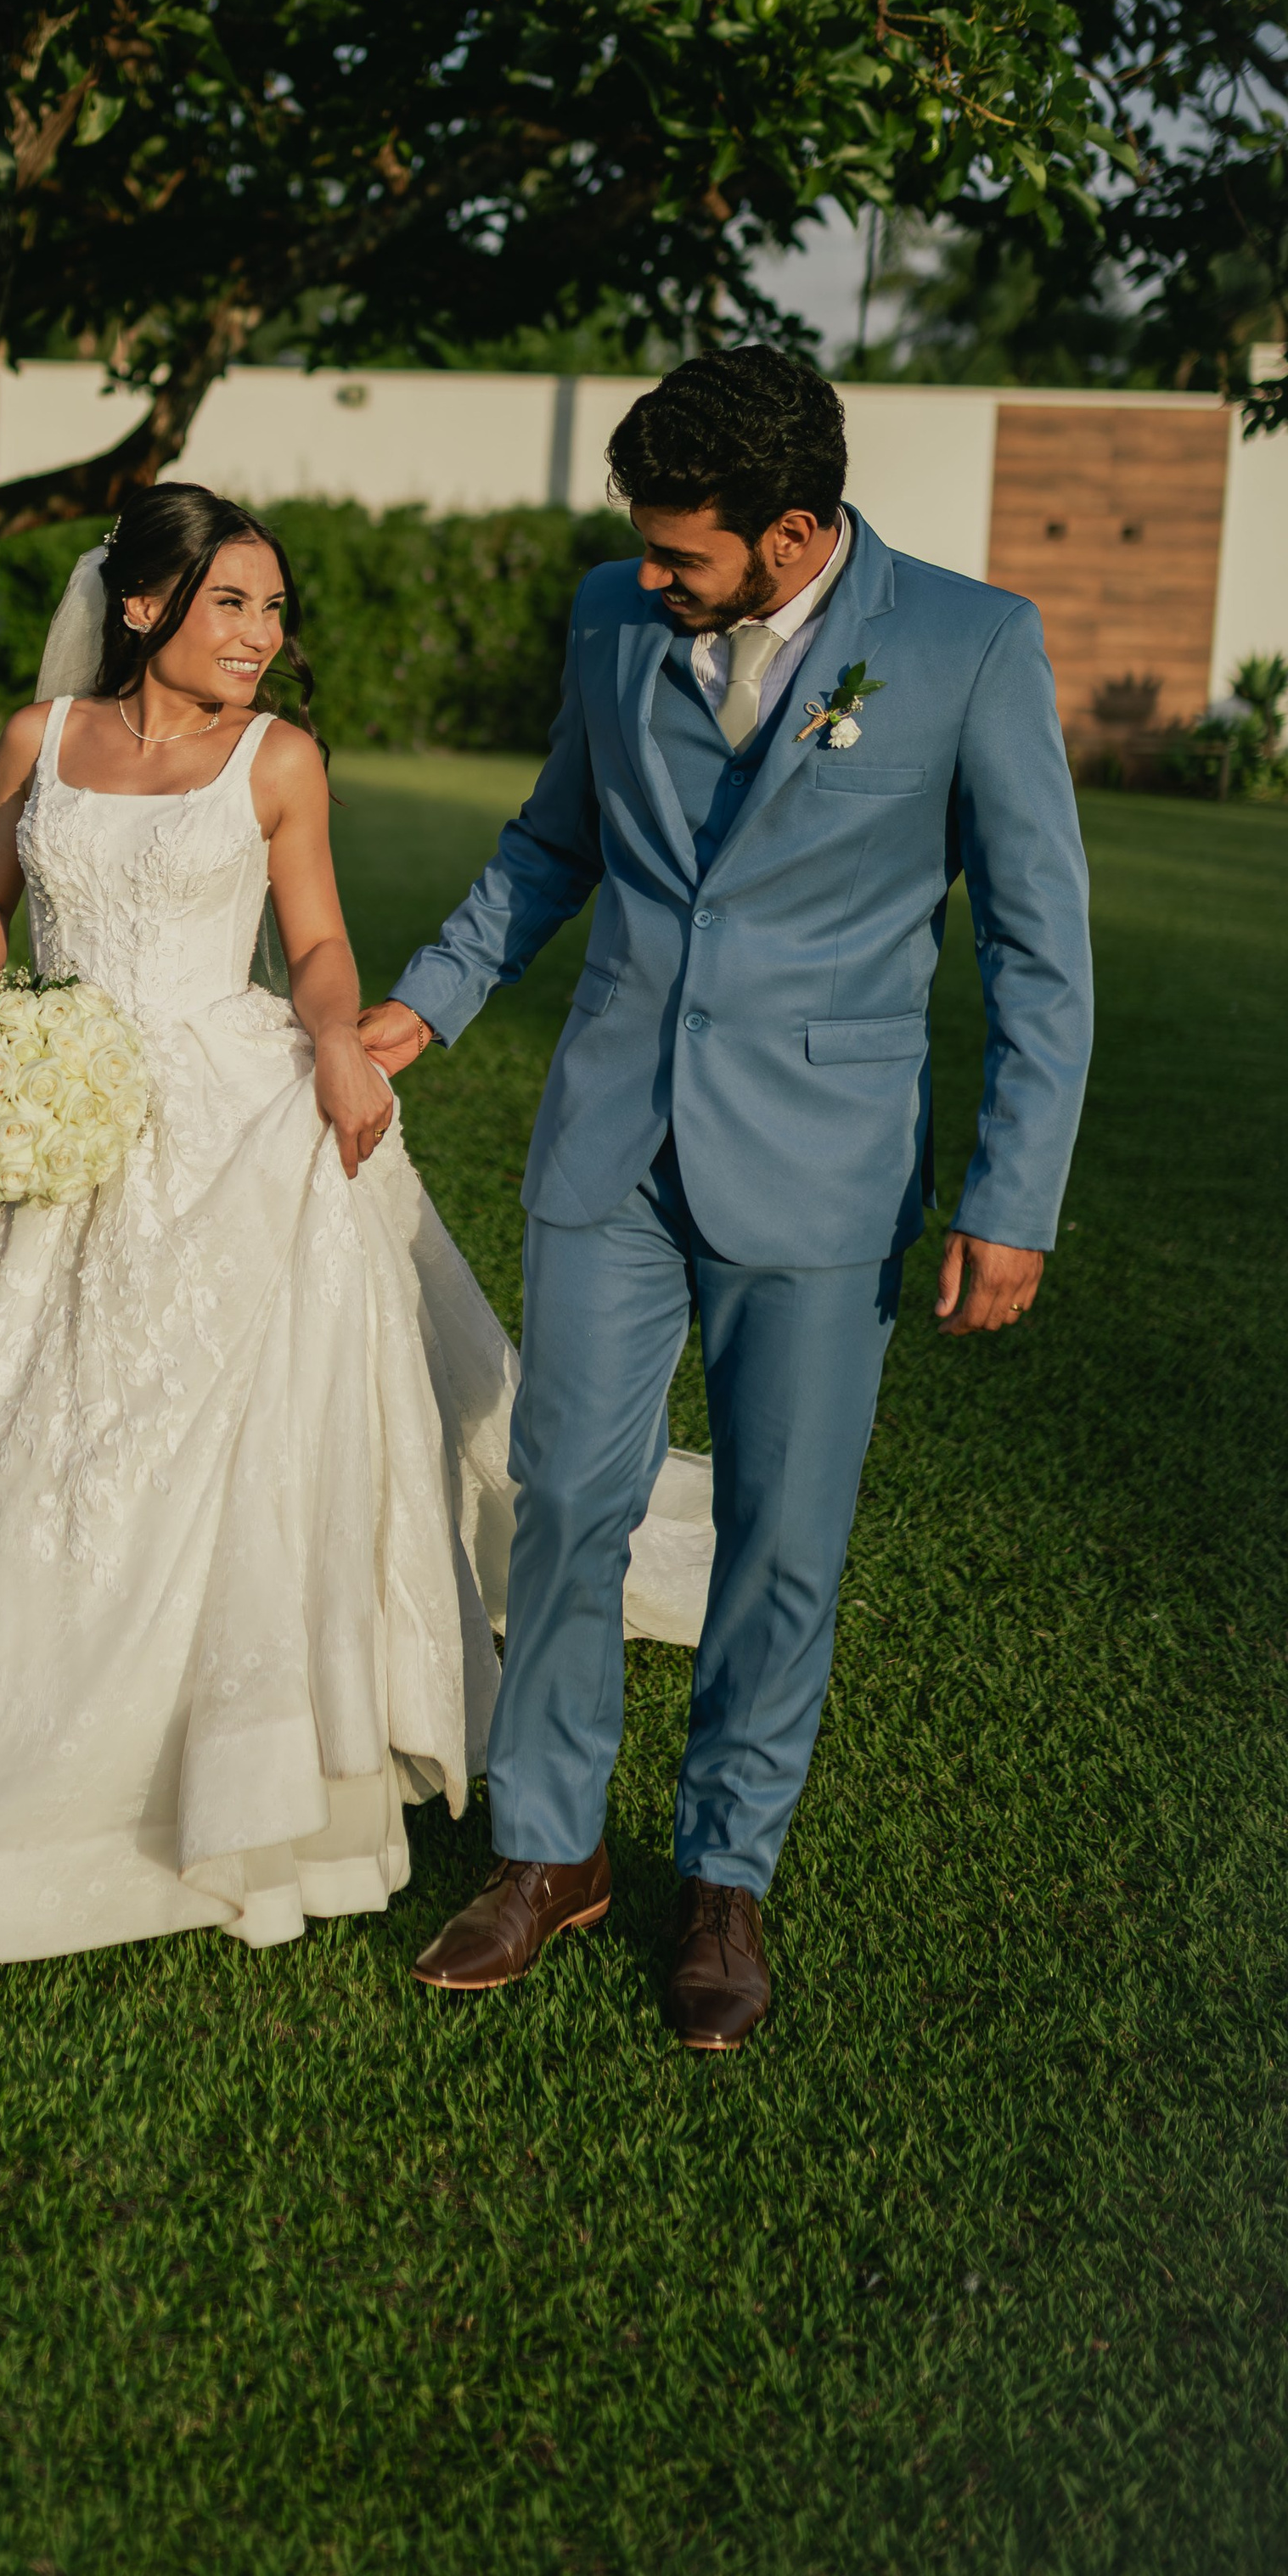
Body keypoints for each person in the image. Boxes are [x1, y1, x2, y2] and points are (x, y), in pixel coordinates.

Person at [361, 347, 1093, 2051]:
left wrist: (1013, 1194)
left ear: (788, 531)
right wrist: (429, 999)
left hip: (825, 1165)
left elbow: (1035, 949)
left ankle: (720, 1880)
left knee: (779, 1543)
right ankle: (547, 1852)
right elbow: (553, 842)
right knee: (561, 1498)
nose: (647, 576)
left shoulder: (966, 647)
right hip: (608, 1143)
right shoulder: (614, 622)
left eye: (680, 552)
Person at [0, 485, 534, 1963]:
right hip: (59, 1109)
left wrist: (340, 1038)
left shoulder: (278, 761)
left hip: (226, 1121)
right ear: (146, 607)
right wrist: (4, 1015)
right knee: (9, 1431)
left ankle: (214, 1781)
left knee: (202, 1444)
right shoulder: (41, 742)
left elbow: (321, 941)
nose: (264, 636)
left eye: (277, 611)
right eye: (235, 604)